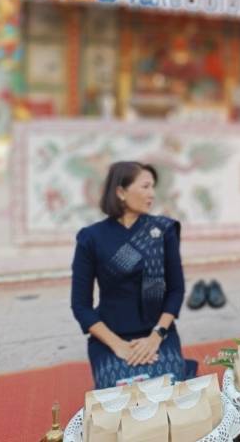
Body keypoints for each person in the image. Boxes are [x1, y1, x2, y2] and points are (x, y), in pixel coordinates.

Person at [71, 161, 193, 389]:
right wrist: (119, 346)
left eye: (153, 187)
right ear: (121, 192)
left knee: (170, 388)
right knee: (117, 394)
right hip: (110, 337)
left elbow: (176, 290)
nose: (152, 194)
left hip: (158, 333)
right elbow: (81, 306)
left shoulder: (163, 231)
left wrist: (156, 336)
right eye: (145, 187)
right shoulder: (91, 238)